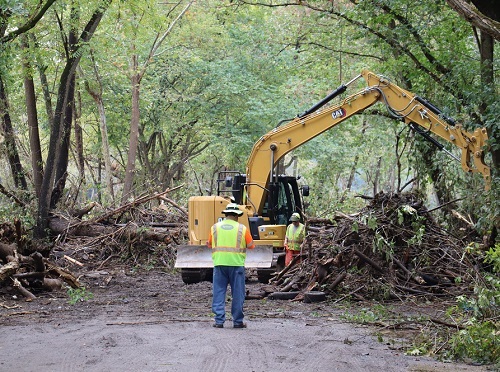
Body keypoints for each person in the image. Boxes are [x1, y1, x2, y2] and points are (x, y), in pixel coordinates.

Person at [207, 203, 255, 329]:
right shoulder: (242, 229)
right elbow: (251, 246)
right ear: (237, 215)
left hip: (219, 264)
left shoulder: (215, 228)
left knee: (219, 292)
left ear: (225, 215)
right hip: (236, 265)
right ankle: (237, 321)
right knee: (238, 293)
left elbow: (209, 244)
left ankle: (219, 321)